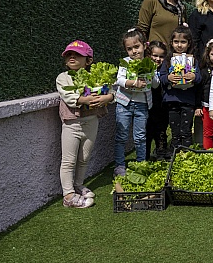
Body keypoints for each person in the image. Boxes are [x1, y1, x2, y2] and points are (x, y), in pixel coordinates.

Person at [56, 40, 114, 208]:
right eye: (69, 55)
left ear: (88, 60)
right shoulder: (63, 77)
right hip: (71, 124)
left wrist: (107, 97)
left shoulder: (95, 76)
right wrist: (83, 99)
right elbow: (68, 97)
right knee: (68, 160)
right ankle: (68, 195)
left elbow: (111, 92)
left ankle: (78, 185)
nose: (72, 57)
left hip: (91, 121)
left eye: (77, 55)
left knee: (84, 157)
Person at [113, 28, 160, 176]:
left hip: (142, 105)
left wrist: (151, 75)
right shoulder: (125, 63)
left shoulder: (149, 63)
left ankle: (141, 163)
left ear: (144, 46)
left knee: (140, 137)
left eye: (136, 47)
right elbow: (119, 80)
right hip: (124, 103)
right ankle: (119, 165)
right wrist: (133, 83)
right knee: (121, 135)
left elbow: (156, 84)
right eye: (129, 48)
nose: (134, 51)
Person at [159, 26, 201, 149]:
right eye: (176, 42)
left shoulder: (192, 60)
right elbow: (161, 77)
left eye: (183, 42)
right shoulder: (168, 60)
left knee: (186, 131)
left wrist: (193, 76)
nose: (179, 45)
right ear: (171, 43)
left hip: (187, 101)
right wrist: (168, 78)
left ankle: (187, 156)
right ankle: (174, 156)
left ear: (189, 44)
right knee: (175, 132)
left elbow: (199, 78)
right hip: (172, 100)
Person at [195, 38, 213, 149]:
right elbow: (199, 89)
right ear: (208, 55)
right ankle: (207, 153)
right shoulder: (204, 71)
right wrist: (198, 106)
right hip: (207, 106)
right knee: (208, 132)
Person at [145, 41, 169, 160]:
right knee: (147, 132)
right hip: (147, 106)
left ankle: (161, 155)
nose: (158, 59)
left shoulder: (166, 69)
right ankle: (145, 157)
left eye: (161, 56)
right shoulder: (145, 68)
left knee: (161, 131)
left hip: (162, 106)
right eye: (155, 55)